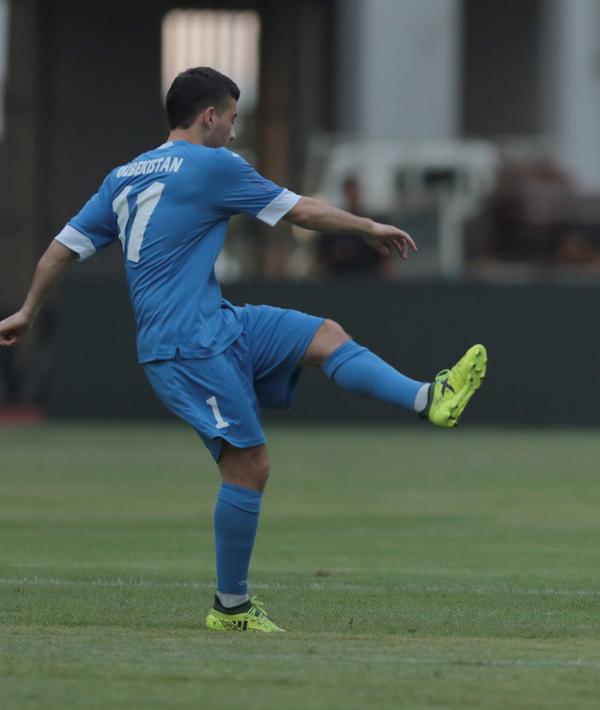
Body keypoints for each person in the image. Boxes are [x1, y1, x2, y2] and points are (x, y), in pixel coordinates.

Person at [0, 67, 487, 631]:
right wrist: (367, 226)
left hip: (219, 324)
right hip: (186, 345)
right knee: (248, 466)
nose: (234, 131)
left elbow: (61, 249)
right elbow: (299, 210)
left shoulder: (124, 176)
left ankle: (431, 398)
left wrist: (28, 310)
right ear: (209, 115)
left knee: (324, 336)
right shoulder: (213, 165)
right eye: (232, 118)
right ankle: (230, 609)